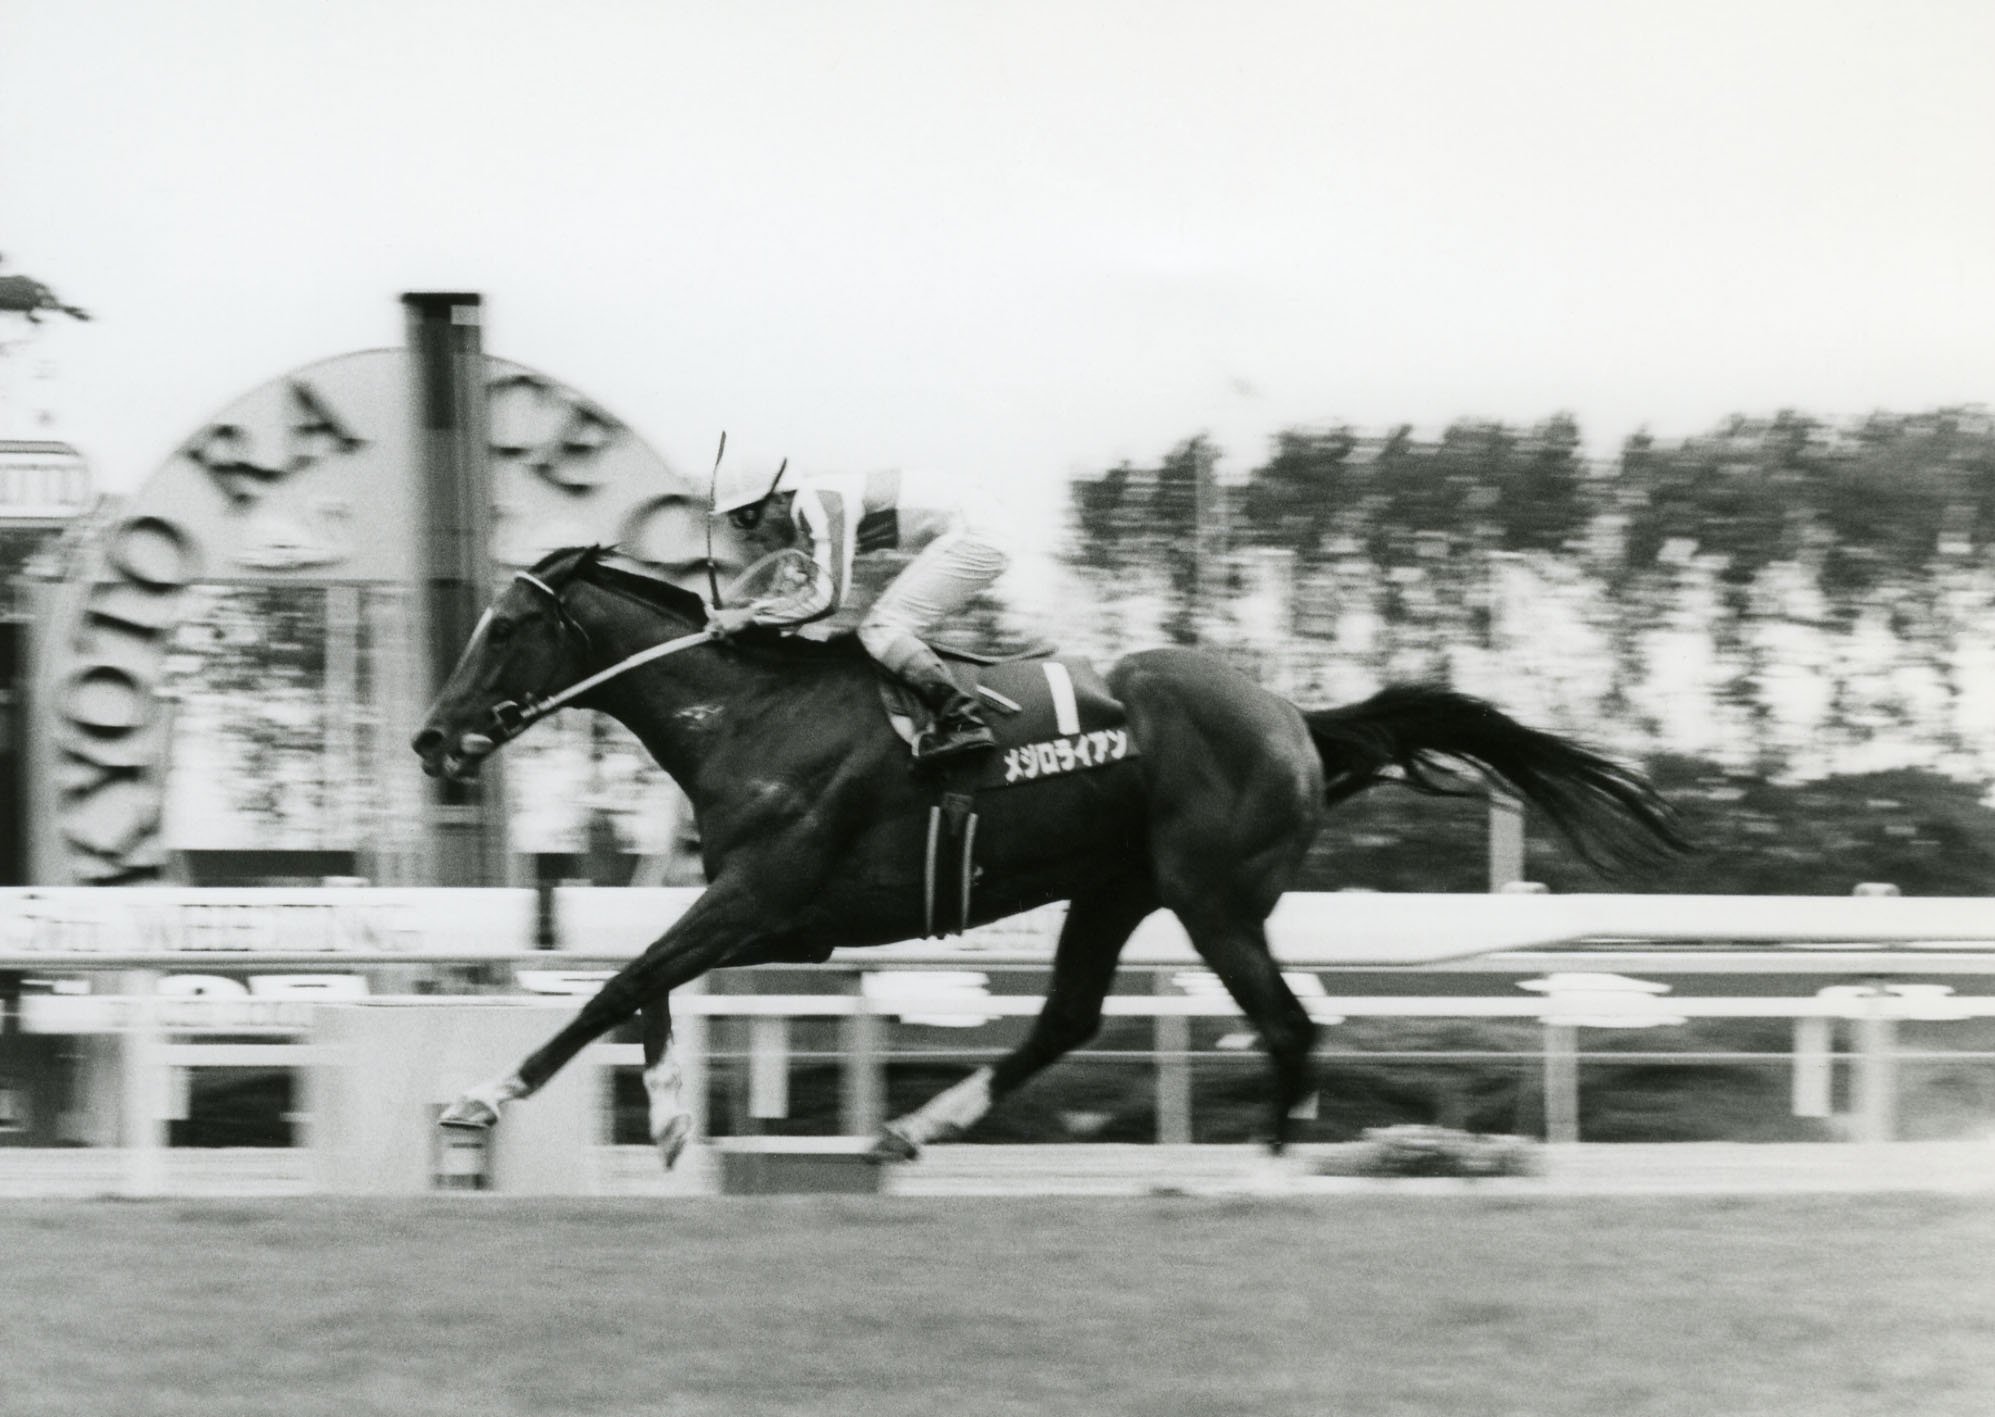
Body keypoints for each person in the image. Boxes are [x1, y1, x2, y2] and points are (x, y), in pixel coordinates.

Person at [706, 461, 1009, 761]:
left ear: (781, 498)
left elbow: (827, 598)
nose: (745, 533)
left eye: (746, 516)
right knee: (877, 628)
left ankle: (964, 721)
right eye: (735, 521)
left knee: (881, 628)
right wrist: (746, 616)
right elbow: (792, 607)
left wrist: (746, 617)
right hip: (970, 527)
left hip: (976, 532)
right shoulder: (806, 522)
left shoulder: (818, 503)